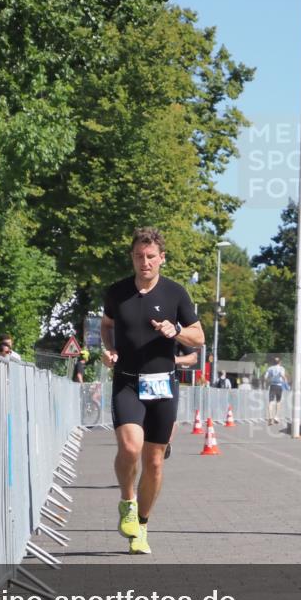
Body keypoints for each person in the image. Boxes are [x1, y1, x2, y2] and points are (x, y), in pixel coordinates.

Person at [101, 227, 204, 554]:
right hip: (128, 380)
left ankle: (142, 525)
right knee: (131, 447)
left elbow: (199, 337)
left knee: (155, 462)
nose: (144, 263)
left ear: (162, 259)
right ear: (132, 257)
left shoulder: (176, 294)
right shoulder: (116, 293)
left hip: (163, 383)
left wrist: (176, 331)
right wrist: (109, 349)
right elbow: (107, 326)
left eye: (150, 257)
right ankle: (127, 502)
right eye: (138, 257)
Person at [165, 341, 198, 459]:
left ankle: (166, 443)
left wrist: (176, 359)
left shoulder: (175, 330)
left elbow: (193, 358)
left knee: (170, 416)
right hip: (142, 379)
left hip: (169, 379)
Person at [264, 356, 287, 425]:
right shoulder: (281, 368)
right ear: (280, 362)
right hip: (279, 386)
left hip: (272, 386)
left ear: (273, 362)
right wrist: (285, 379)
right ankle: (276, 417)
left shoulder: (270, 368)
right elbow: (282, 375)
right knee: (278, 401)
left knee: (271, 401)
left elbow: (265, 377)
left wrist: (268, 381)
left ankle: (270, 417)